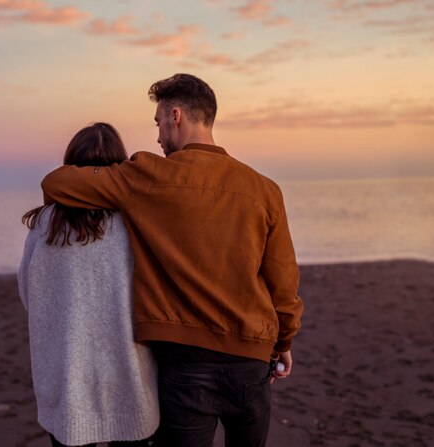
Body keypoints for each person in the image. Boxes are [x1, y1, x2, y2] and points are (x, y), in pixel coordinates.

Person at [39, 74, 304, 447]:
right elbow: (283, 281)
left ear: (175, 115)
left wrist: (110, 170)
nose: (158, 136)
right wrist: (285, 341)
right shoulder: (264, 189)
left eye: (158, 123)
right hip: (251, 361)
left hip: (185, 365)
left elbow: (56, 183)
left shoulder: (146, 176)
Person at [18, 122, 160, 447]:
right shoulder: (135, 221)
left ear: (71, 165)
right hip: (129, 371)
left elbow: (29, 293)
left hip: (67, 370)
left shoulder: (45, 223)